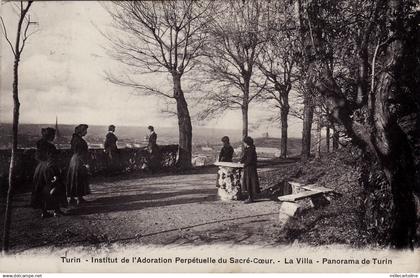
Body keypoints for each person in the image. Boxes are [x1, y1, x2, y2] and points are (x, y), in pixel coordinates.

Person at [31, 127, 66, 218]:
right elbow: (52, 161)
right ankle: (56, 210)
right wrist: (55, 174)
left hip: (40, 169)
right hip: (49, 169)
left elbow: (37, 157)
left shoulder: (39, 144)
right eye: (53, 135)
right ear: (49, 136)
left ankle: (44, 212)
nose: (54, 137)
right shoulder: (51, 147)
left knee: (42, 190)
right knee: (56, 187)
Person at [66, 124, 90, 205]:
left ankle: (72, 199)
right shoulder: (80, 141)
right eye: (85, 130)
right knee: (79, 179)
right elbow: (81, 154)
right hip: (79, 161)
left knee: (73, 179)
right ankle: (79, 199)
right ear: (81, 131)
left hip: (73, 160)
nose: (86, 132)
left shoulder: (74, 139)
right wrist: (85, 163)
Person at [240, 136, 260, 203]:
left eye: (244, 143)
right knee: (248, 182)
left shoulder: (251, 149)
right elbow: (244, 157)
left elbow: (250, 159)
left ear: (247, 143)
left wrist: (244, 164)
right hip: (248, 168)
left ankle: (250, 198)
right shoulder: (248, 149)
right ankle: (250, 196)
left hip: (250, 169)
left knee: (250, 183)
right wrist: (240, 162)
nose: (243, 144)